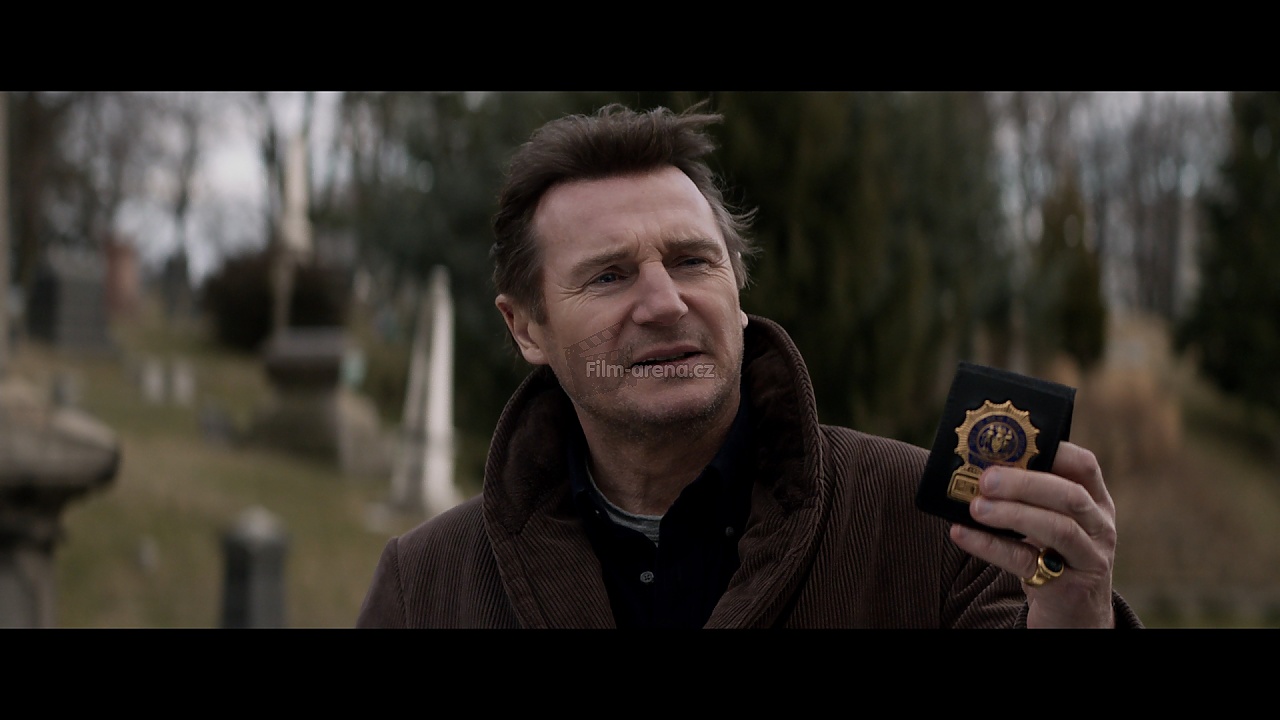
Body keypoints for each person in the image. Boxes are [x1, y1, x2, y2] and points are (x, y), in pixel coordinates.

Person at [356, 103, 1142, 629]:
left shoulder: (942, 538)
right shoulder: (426, 585)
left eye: (692, 261)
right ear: (525, 326)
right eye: (609, 276)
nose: (664, 302)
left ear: (737, 290)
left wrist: (1079, 619)